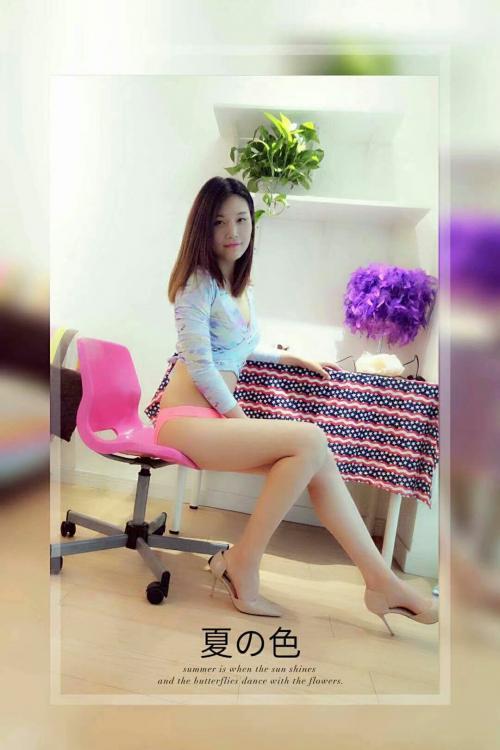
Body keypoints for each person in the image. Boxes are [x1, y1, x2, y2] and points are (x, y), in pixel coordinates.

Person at [154, 176, 438, 632]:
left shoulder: (240, 286)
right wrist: (238, 419)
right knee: (310, 440)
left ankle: (380, 582)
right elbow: (202, 365)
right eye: (220, 222)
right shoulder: (197, 284)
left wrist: (291, 356)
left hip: (211, 421)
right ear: (202, 228)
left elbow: (240, 348)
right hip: (184, 420)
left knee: (314, 456)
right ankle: (243, 564)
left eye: (242, 219)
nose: (233, 231)